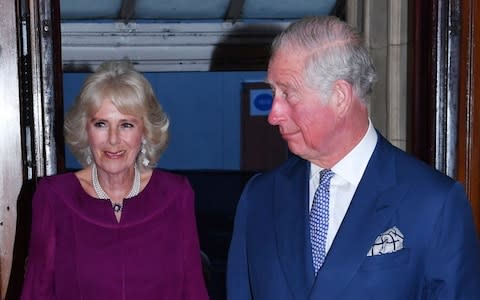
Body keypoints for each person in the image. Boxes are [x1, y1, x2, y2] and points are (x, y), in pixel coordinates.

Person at [227, 16, 480, 299]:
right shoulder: (260, 199)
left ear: (340, 97)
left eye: (288, 94)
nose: (273, 115)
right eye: (273, 93)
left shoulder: (434, 203)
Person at [20, 61, 209, 299]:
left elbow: (193, 290)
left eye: (126, 125)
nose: (113, 140)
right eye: (101, 124)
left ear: (145, 131)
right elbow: (36, 291)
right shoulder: (54, 197)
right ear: (85, 130)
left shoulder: (175, 196)